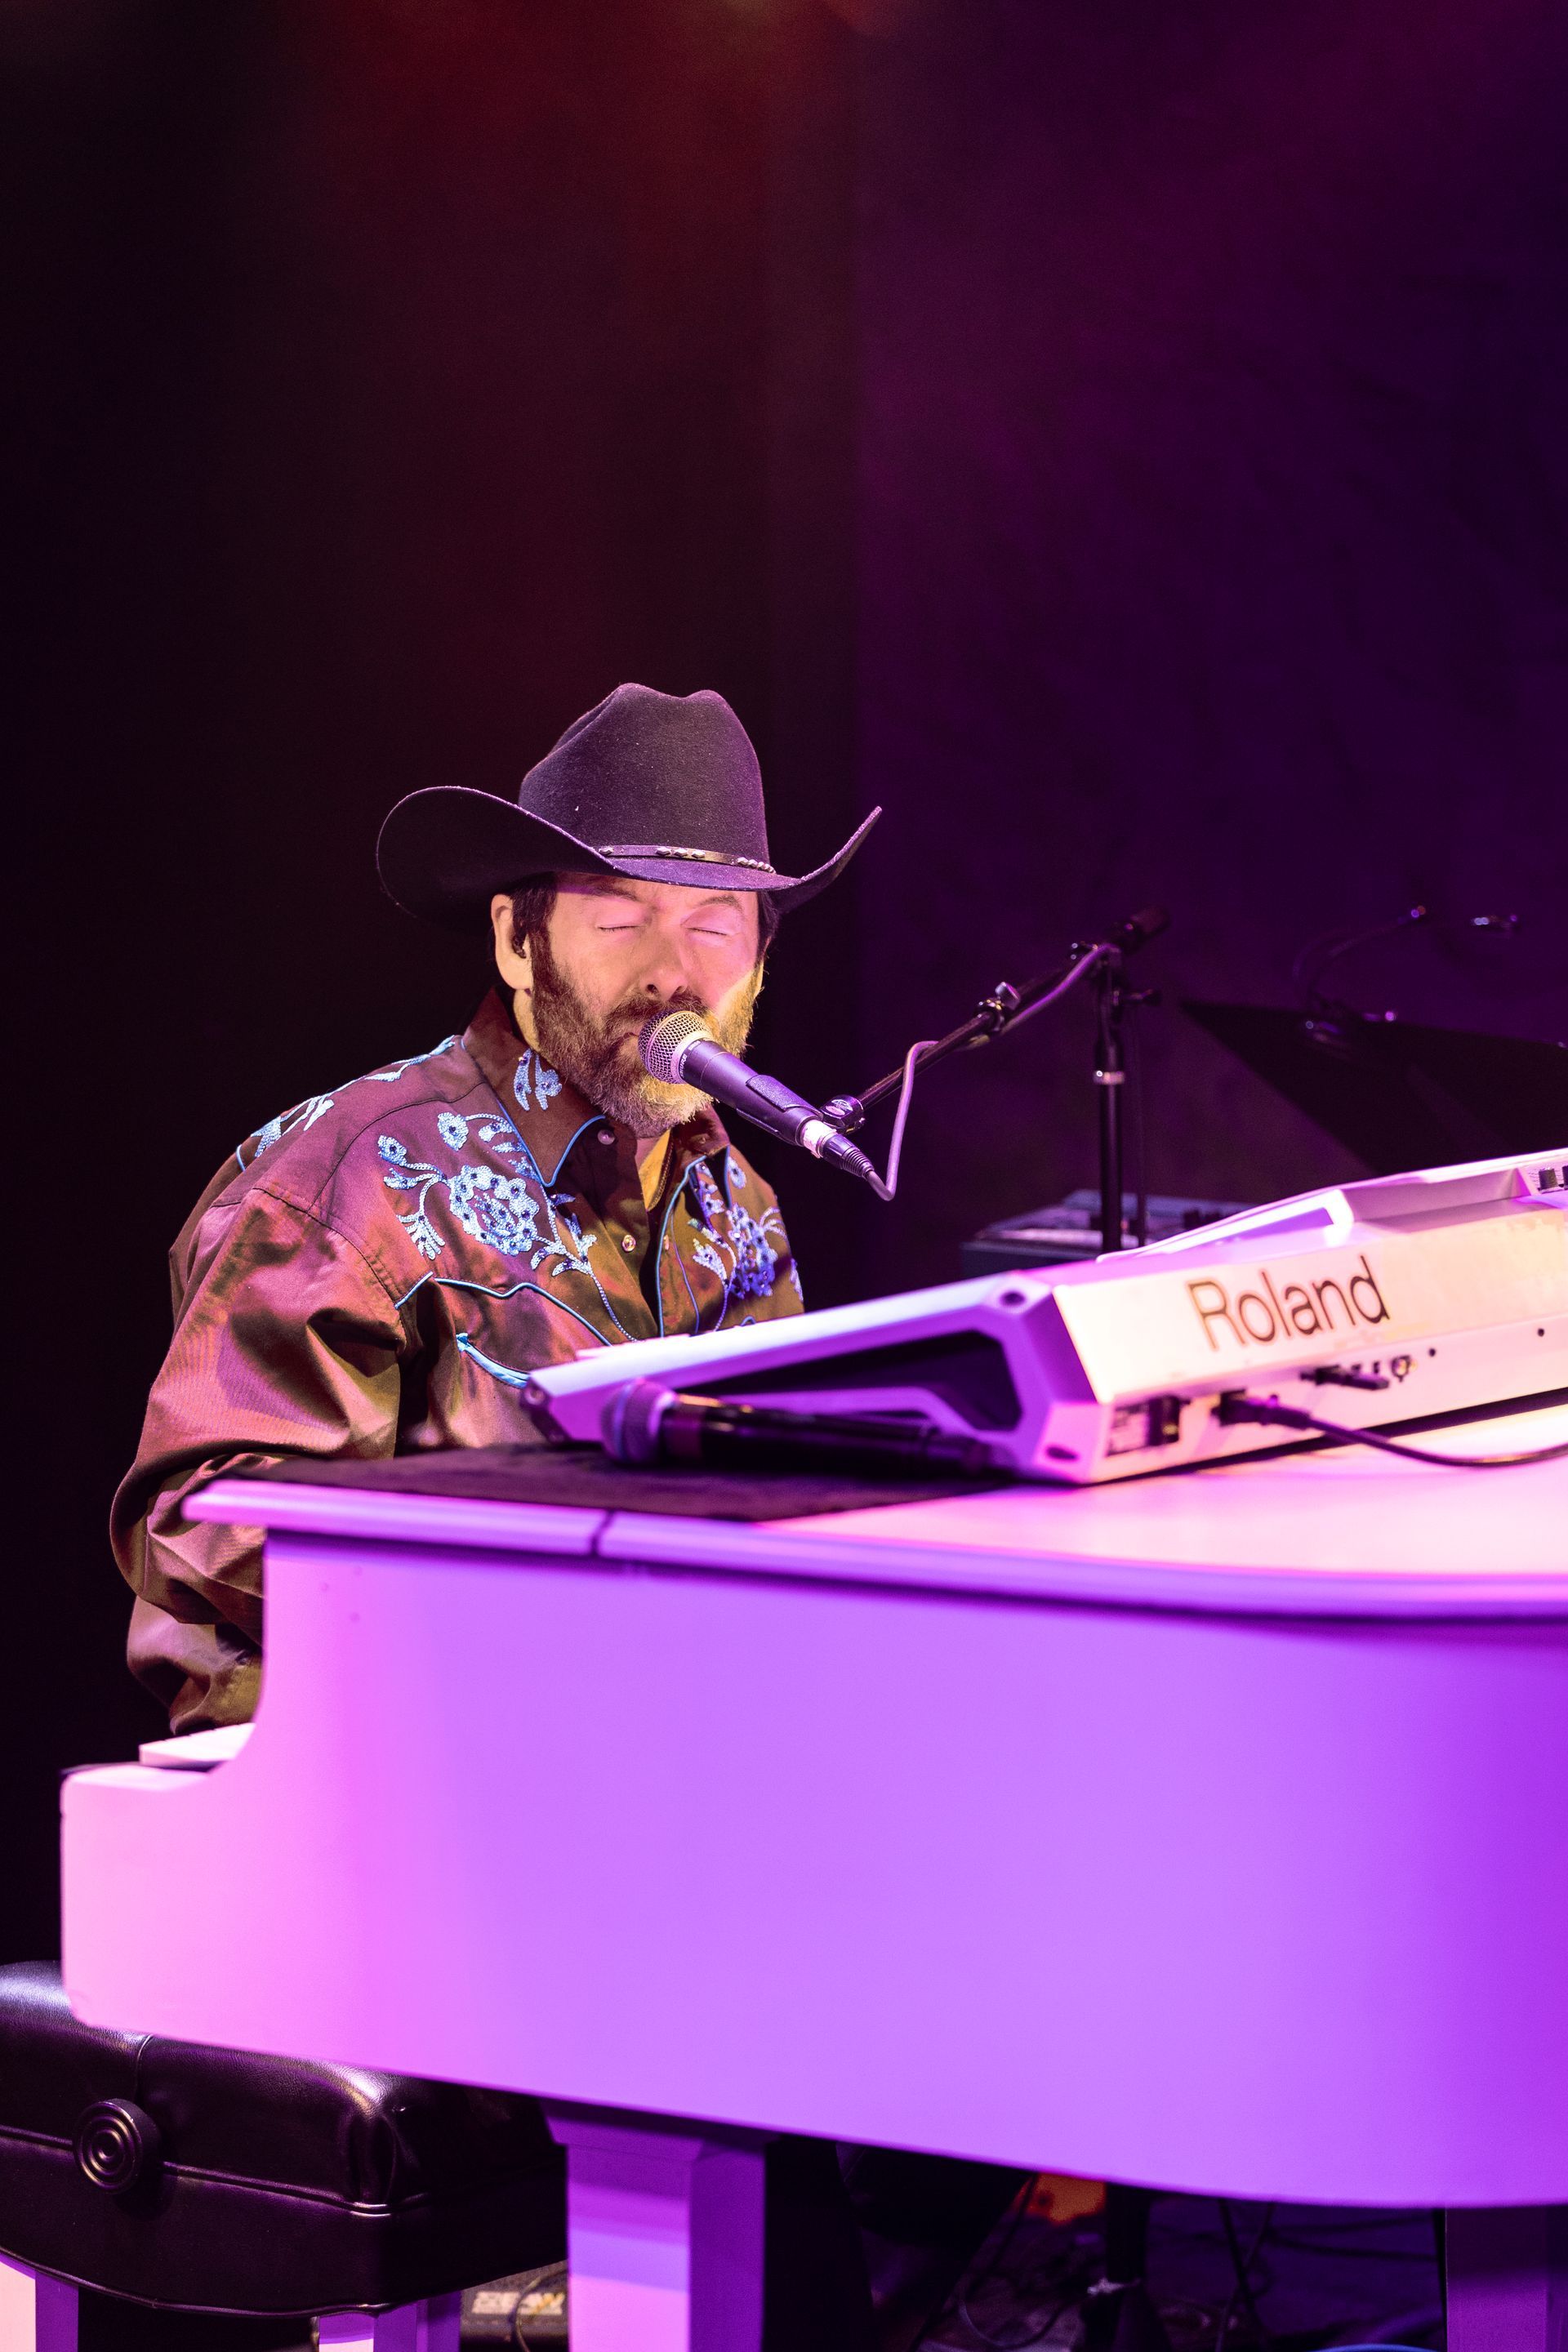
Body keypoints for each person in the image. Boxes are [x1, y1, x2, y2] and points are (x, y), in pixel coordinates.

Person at [112, 683, 879, 1735]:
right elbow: (209, 1515)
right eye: (620, 920)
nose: (674, 973)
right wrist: (528, 1613)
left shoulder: (736, 1198)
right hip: (376, 1764)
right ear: (519, 941)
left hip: (659, 1751)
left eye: (714, 925)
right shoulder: (351, 1178)